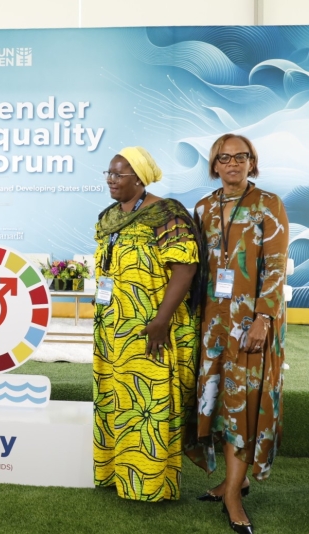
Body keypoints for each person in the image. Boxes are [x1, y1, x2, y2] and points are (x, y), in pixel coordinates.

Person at [188, 134, 288, 534]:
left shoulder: (269, 205)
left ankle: (232, 495)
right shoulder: (204, 208)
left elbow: (277, 267)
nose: (232, 164)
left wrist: (263, 318)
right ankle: (236, 479)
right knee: (216, 401)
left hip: (252, 326)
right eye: (224, 158)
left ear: (252, 162)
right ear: (214, 165)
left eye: (240, 157)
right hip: (213, 324)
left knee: (243, 405)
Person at [92, 146, 201, 501]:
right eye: (108, 173)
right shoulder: (109, 216)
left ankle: (152, 483)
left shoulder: (167, 214)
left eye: (118, 174)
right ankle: (115, 474)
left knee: (149, 402)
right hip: (113, 329)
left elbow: (185, 268)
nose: (111, 180)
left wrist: (161, 321)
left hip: (151, 327)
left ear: (139, 179)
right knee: (117, 400)